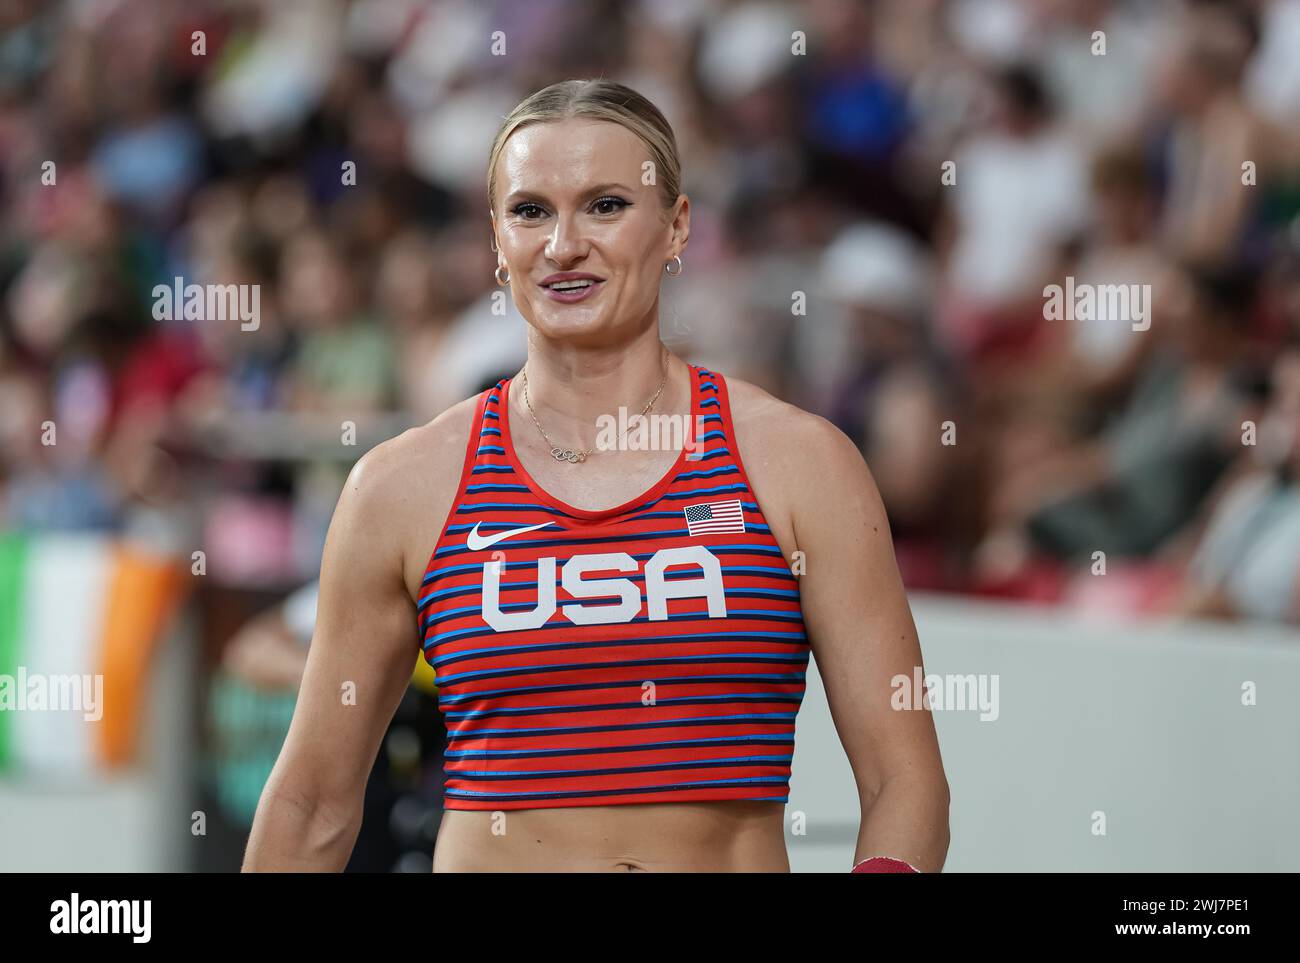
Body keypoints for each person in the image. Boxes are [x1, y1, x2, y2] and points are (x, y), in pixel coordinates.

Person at [242, 79, 949, 873]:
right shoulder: (400, 486)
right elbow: (311, 802)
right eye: (531, 210)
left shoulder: (799, 463)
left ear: (677, 226)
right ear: (495, 242)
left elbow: (905, 781)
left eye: (606, 205)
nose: (563, 244)